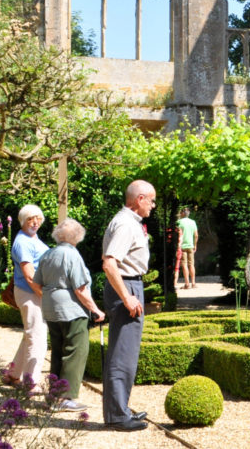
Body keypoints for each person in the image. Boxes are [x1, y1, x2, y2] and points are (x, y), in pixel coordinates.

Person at [33, 218, 106, 412]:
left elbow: (37, 282)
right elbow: (81, 290)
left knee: (57, 351)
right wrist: (96, 310)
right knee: (75, 351)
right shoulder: (72, 255)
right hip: (71, 310)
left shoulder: (48, 254)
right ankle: (65, 397)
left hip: (51, 308)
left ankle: (53, 396)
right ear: (77, 236)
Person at [100, 180, 156, 431]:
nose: (153, 206)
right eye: (151, 200)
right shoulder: (125, 224)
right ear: (140, 199)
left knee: (124, 353)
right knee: (123, 354)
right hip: (127, 286)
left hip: (129, 285)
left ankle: (121, 409)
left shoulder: (127, 222)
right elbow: (110, 263)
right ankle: (117, 416)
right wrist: (127, 296)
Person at [5, 204, 48, 387]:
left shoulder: (32, 239)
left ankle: (13, 374)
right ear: (23, 221)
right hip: (30, 293)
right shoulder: (22, 242)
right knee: (37, 337)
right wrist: (45, 295)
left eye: (38, 218)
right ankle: (31, 383)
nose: (35, 222)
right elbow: (29, 275)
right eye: (30, 219)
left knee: (30, 334)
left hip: (34, 292)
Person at [175, 207, 198, 289]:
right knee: (191, 264)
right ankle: (194, 283)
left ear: (182, 213)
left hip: (182, 246)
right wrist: (195, 245)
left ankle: (187, 284)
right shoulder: (193, 222)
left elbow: (177, 235)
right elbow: (196, 235)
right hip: (190, 246)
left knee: (184, 265)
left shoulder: (179, 222)